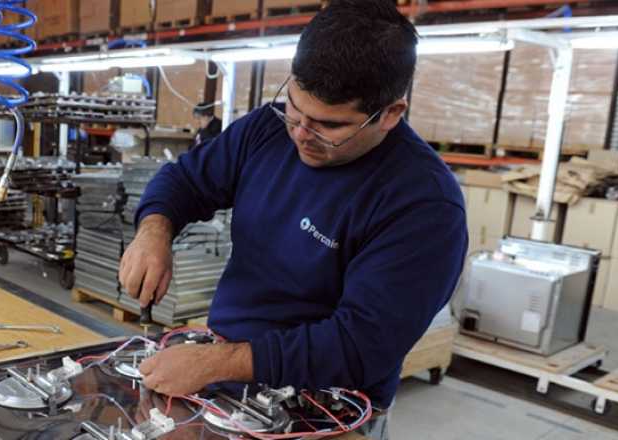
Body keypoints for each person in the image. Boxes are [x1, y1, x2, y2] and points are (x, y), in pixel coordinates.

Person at [119, 1, 467, 437]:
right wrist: (154, 230)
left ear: (391, 114)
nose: (301, 134)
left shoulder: (424, 206)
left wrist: (216, 363)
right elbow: (186, 181)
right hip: (222, 377)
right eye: (295, 110)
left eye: (327, 126)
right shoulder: (267, 129)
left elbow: (360, 345)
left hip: (324, 410)